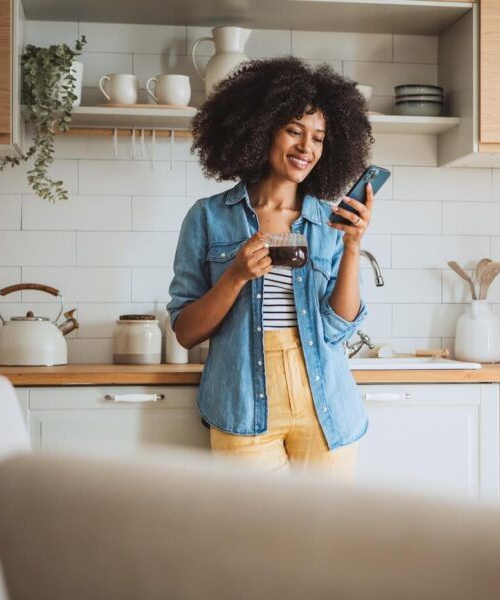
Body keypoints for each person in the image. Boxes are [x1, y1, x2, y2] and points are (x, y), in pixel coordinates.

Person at [167, 57, 375, 481]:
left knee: (328, 542)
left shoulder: (328, 222)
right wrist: (235, 275)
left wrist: (352, 246)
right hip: (243, 406)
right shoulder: (208, 218)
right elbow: (187, 332)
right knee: (254, 544)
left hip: (325, 405)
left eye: (318, 137)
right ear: (261, 129)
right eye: (294, 130)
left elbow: (338, 328)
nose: (307, 148)